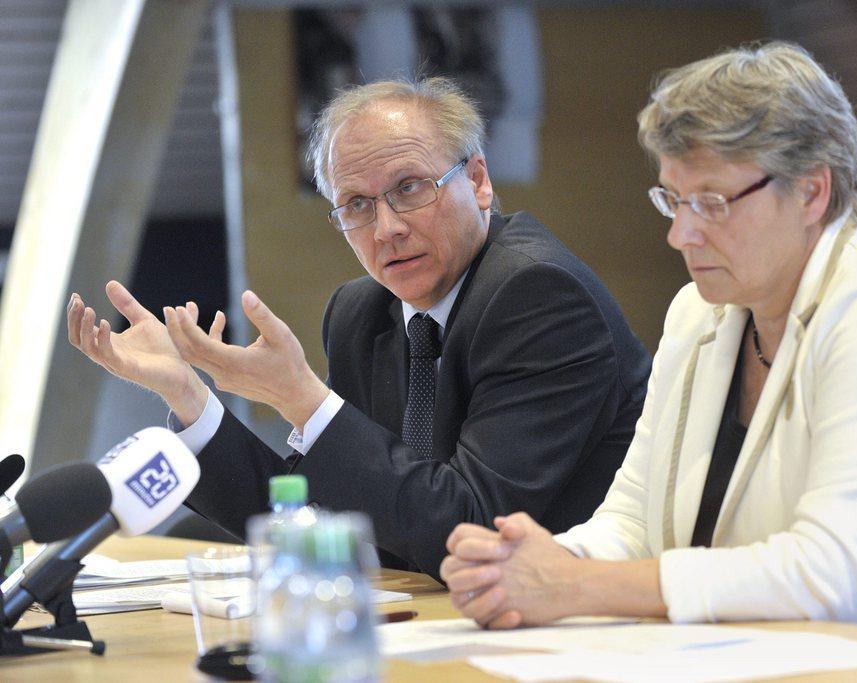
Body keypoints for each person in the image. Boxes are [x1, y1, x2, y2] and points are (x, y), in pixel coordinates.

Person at [441, 42, 857, 638]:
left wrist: (573, 587)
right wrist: (525, 567)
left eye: (711, 203)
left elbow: (829, 574)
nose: (680, 234)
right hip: (768, 656)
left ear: (811, 192)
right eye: (672, 199)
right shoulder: (699, 311)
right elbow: (632, 522)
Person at [67, 77, 651, 580]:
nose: (387, 227)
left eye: (410, 188)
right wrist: (187, 394)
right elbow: (314, 517)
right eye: (356, 204)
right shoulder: (360, 311)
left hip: (564, 625)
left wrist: (302, 400)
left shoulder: (537, 294)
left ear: (478, 182)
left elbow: (471, 527)